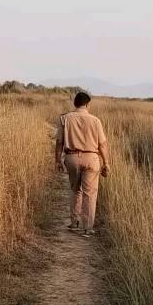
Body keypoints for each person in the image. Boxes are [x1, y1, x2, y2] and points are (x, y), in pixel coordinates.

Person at [55, 91, 110, 237]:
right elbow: (102, 144)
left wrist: (57, 160)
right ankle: (87, 228)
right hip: (92, 159)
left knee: (75, 190)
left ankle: (74, 223)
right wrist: (106, 163)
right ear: (87, 104)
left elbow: (59, 142)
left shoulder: (64, 119)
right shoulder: (96, 120)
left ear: (75, 103)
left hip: (72, 158)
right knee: (90, 193)